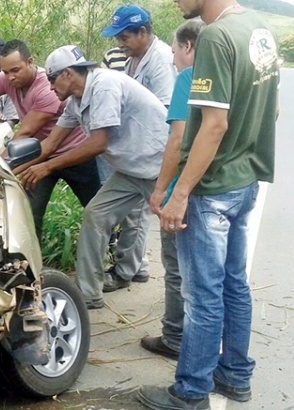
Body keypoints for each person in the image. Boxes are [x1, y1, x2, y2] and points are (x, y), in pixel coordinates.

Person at [138, 1, 280, 409]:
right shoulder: (259, 27)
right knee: (234, 285)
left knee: (203, 296)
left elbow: (213, 125)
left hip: (212, 190)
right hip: (244, 180)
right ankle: (234, 375)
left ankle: (191, 392)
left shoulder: (215, 36)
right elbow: (271, 108)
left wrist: (178, 194)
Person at [18, 45, 168, 309]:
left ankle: (190, 308)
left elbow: (98, 143)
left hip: (159, 165)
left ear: (67, 73)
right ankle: (88, 294)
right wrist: (9, 169)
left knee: (175, 237)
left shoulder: (104, 85)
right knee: (96, 214)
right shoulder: (75, 100)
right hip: (131, 169)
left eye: (51, 79)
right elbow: (50, 144)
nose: (50, 86)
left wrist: (48, 168)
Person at [0, 40, 102, 242]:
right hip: (38, 153)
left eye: (15, 70)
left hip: (74, 155)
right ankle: (31, 265)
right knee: (30, 213)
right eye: (5, 72)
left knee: (96, 210)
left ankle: (111, 250)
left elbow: (24, 134)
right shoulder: (7, 78)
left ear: (30, 62)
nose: (10, 77)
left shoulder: (47, 89)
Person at [100, 4, 179, 289]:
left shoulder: (159, 60)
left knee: (139, 212)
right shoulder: (136, 57)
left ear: (142, 32)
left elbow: (166, 113)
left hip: (156, 149)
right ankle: (136, 266)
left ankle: (125, 272)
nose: (120, 45)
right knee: (136, 213)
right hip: (141, 147)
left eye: (124, 38)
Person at [141, 18, 205, 362]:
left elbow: (178, 140)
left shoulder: (187, 79)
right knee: (213, 272)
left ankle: (175, 336)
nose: (174, 60)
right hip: (221, 186)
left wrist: (161, 190)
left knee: (177, 266)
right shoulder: (230, 75)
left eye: (175, 51)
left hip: (185, 186)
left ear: (188, 47)